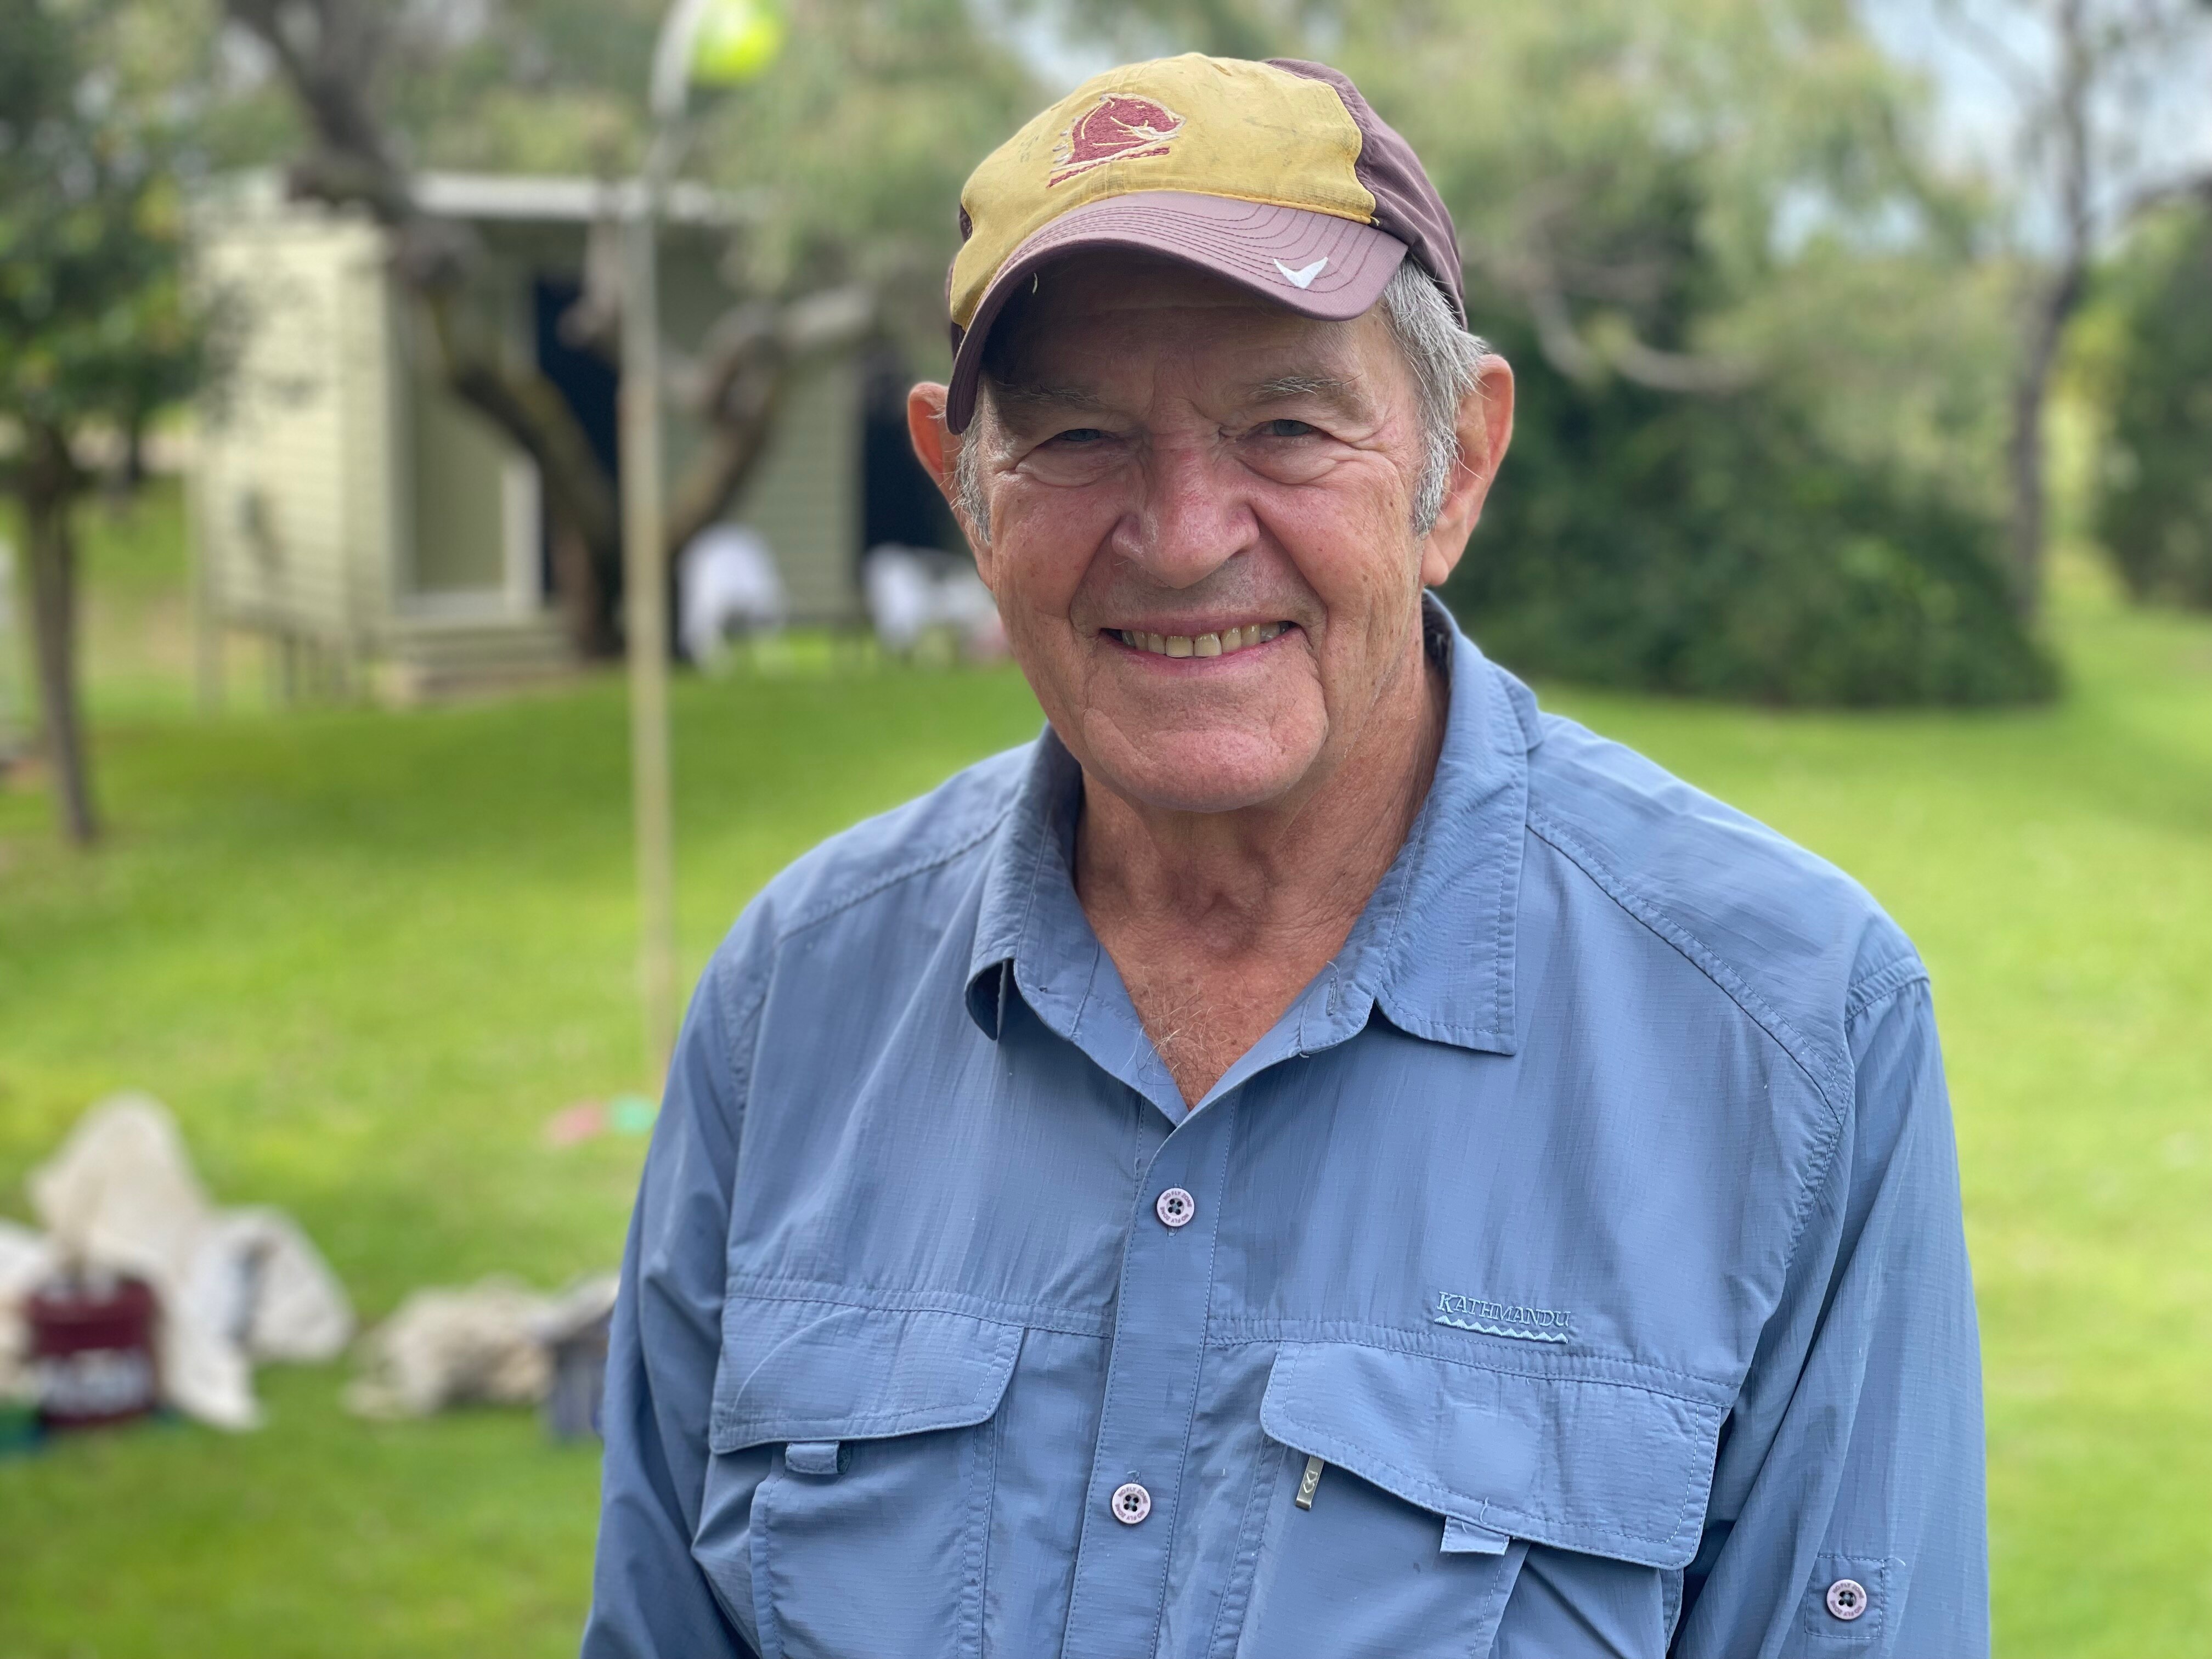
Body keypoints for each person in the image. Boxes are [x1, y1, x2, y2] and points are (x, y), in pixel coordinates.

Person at [584, 54, 1986, 1659]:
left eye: (1288, 427)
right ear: (966, 497)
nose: (1184, 536)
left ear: (1455, 468)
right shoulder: (796, 996)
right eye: (1082, 437)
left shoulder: (1793, 1029)